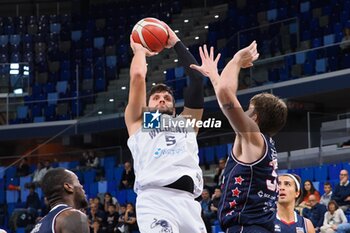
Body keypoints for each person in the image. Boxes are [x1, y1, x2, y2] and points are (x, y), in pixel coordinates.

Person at [191, 42, 288, 232]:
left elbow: (225, 95)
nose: (242, 112)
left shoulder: (253, 137)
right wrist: (213, 75)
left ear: (255, 118)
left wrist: (236, 60)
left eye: (248, 109)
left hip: (247, 227)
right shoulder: (261, 144)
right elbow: (223, 94)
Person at [125, 22, 206, 232]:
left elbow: (197, 81)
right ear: (147, 105)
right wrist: (140, 51)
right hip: (155, 200)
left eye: (167, 97)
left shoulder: (186, 122)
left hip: (189, 203)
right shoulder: (139, 123)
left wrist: (176, 42)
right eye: (156, 97)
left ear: (174, 106)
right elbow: (137, 77)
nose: (162, 100)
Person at [30, 168, 89, 233]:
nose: (82, 186)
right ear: (68, 187)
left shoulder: (39, 225)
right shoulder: (72, 216)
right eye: (78, 182)